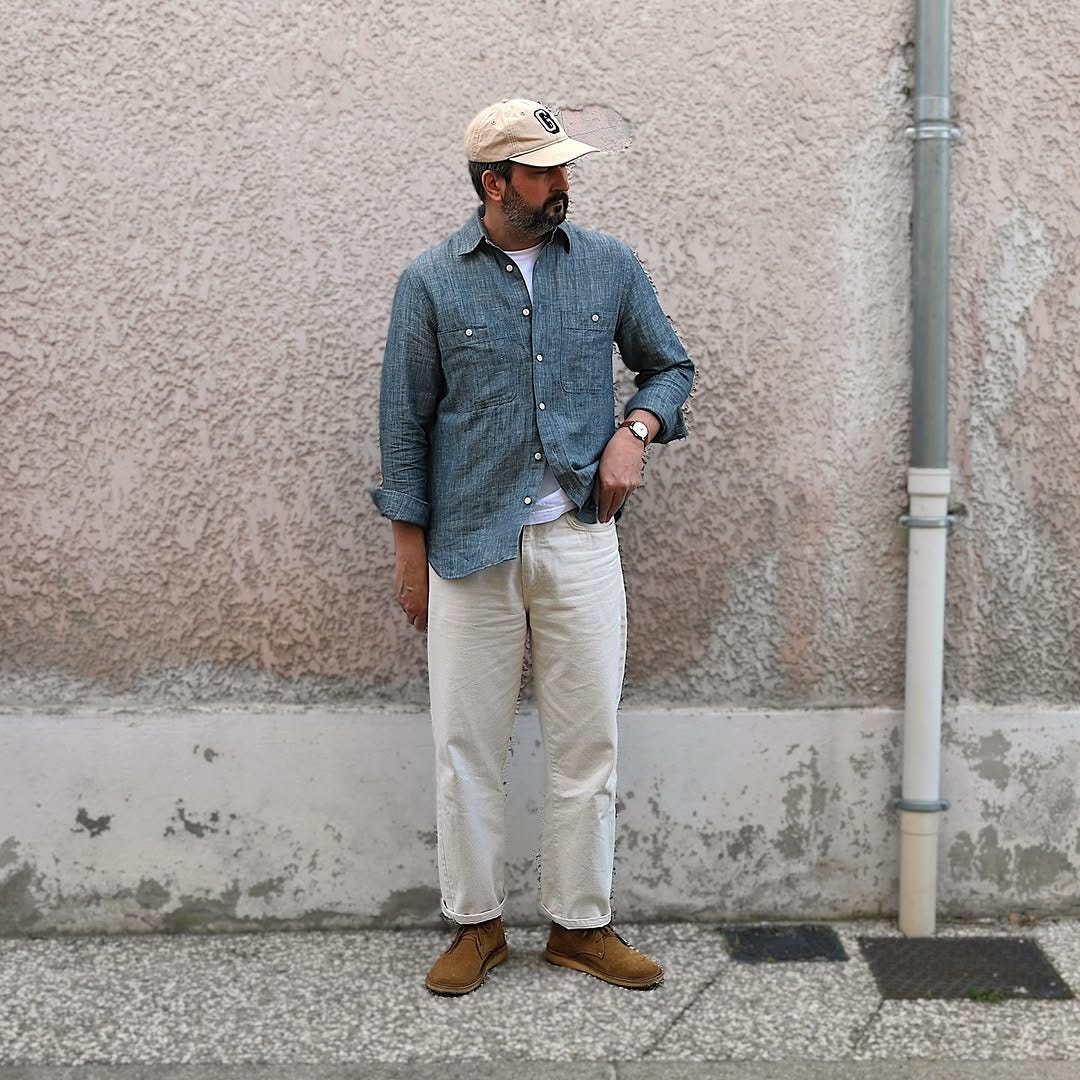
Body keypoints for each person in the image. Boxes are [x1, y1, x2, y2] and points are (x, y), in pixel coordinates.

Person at [371, 98, 694, 995]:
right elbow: (403, 425)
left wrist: (635, 430)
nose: (563, 183)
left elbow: (670, 366)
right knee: (466, 748)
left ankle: (580, 926)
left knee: (587, 743)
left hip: (579, 540)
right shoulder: (430, 282)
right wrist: (409, 554)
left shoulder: (608, 265)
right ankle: (475, 926)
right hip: (468, 547)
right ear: (494, 182)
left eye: (563, 168)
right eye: (544, 171)